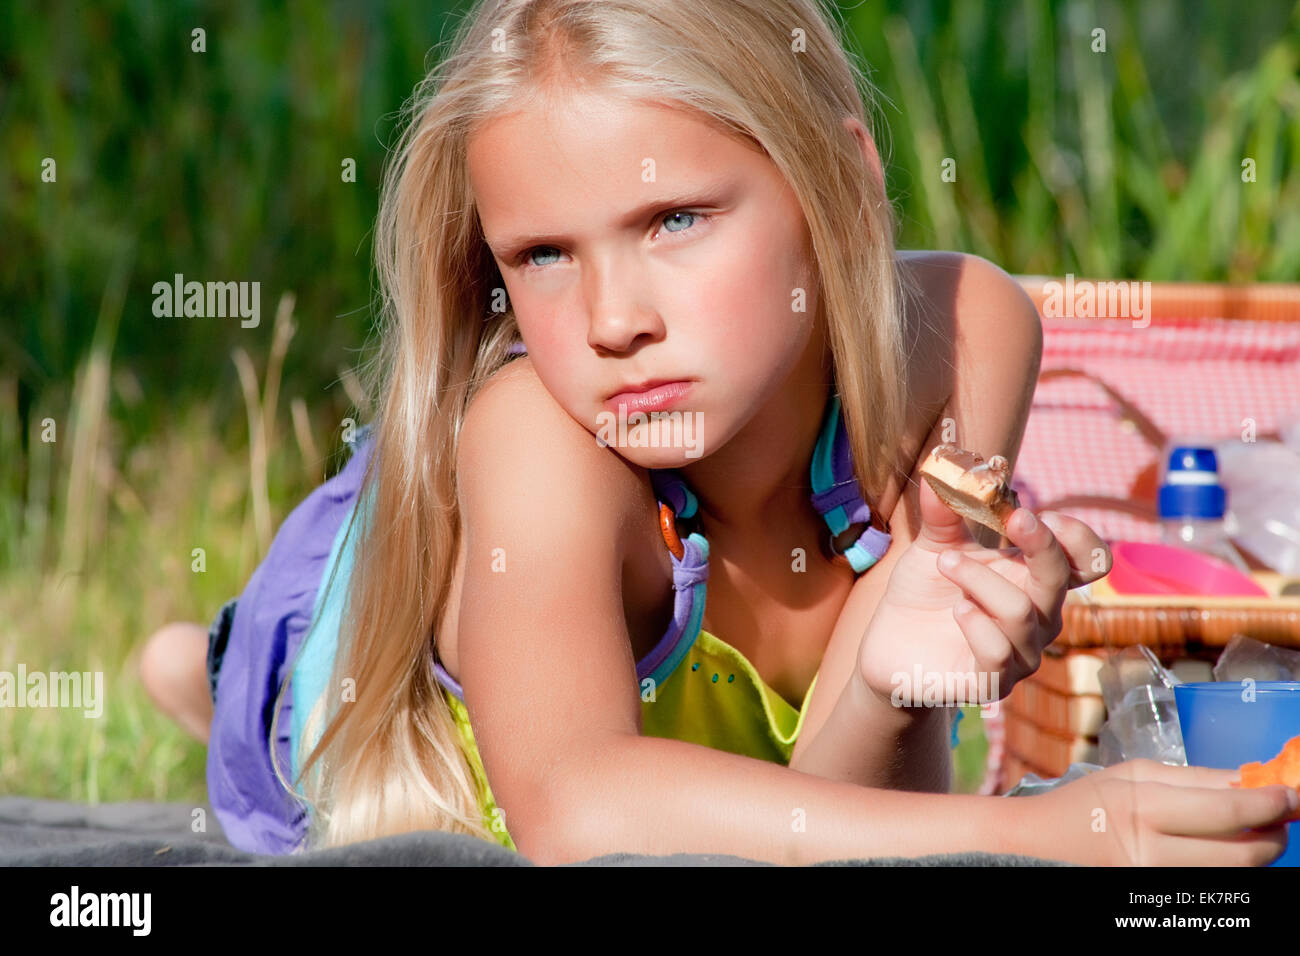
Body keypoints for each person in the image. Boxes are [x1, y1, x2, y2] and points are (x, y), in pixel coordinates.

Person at [141, 0, 1299, 866]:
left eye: (675, 218)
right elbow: (577, 810)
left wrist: (891, 683)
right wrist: (1040, 838)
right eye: (541, 254)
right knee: (268, 703)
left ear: (840, 178)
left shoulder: (960, 335)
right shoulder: (539, 438)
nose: (611, 321)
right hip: (355, 658)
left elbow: (834, 806)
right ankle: (211, 674)